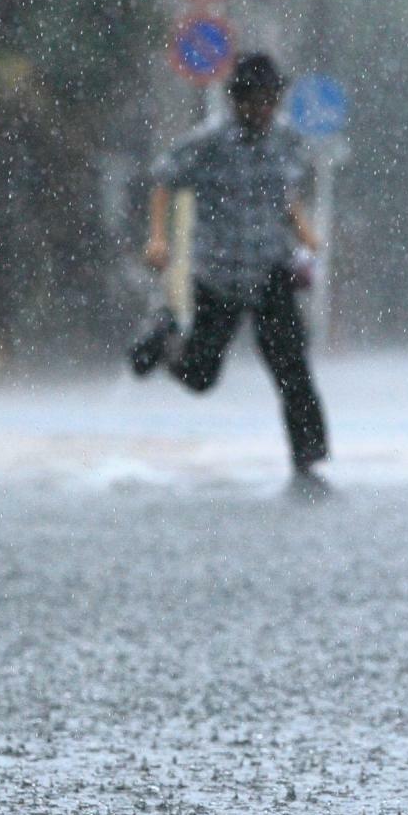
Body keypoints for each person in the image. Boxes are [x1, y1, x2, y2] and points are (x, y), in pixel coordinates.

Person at [130, 52, 331, 492]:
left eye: (271, 101)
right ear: (236, 100)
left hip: (270, 270)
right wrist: (158, 238)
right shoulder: (208, 143)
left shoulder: (287, 142)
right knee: (202, 375)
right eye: (255, 101)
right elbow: (164, 180)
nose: (263, 110)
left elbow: (285, 192)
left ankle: (308, 463)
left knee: (292, 368)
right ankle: (165, 342)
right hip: (219, 273)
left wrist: (303, 232)